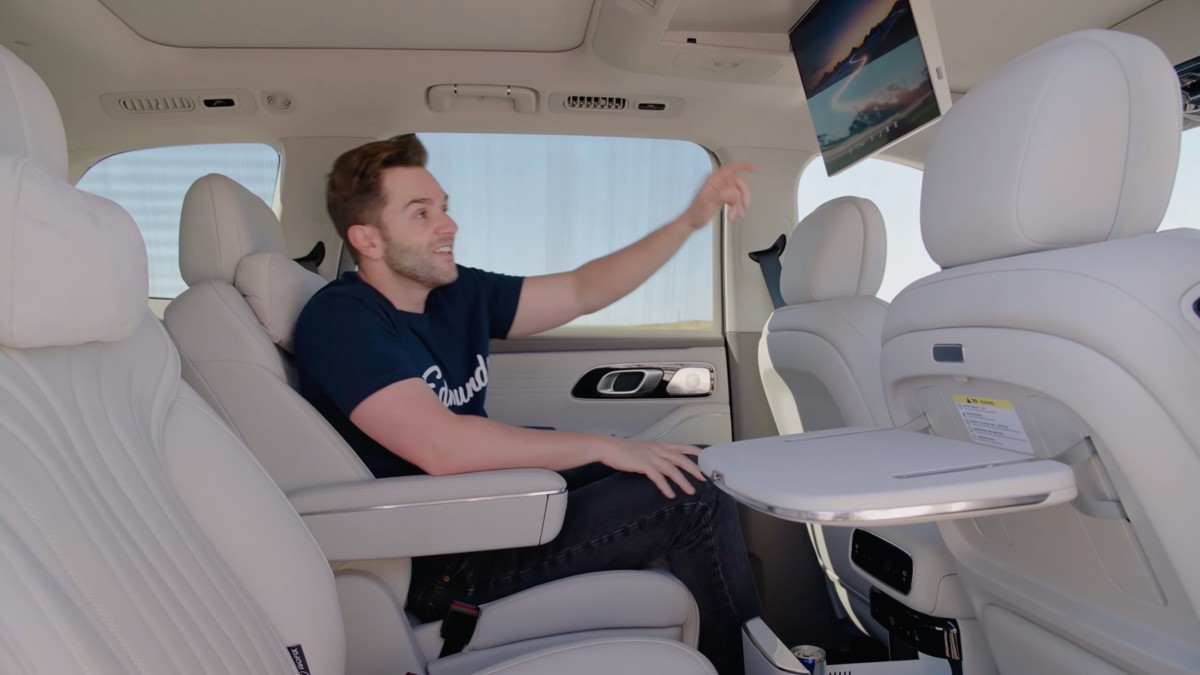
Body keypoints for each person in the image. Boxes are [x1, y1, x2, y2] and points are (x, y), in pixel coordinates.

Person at [293, 134, 761, 674]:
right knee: (694, 495)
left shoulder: (454, 294)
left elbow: (584, 289)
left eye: (444, 207)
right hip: (444, 557)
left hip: (493, 511)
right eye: (421, 213)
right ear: (367, 239)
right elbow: (442, 446)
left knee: (691, 462)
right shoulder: (342, 319)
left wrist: (690, 221)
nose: (449, 225)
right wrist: (601, 446)